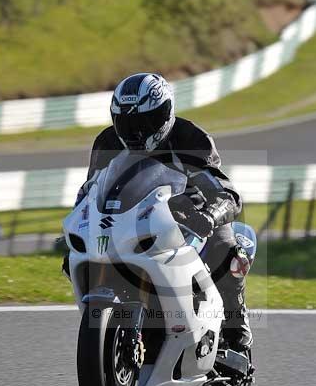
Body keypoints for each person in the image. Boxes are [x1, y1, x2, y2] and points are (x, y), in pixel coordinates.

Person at [64, 72, 252, 352]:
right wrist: (78, 222)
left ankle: (236, 322)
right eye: (127, 124)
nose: (136, 133)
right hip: (133, 217)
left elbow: (226, 193)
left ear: (165, 114)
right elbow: (91, 190)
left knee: (226, 249)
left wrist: (211, 215)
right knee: (72, 258)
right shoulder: (107, 143)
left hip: (192, 218)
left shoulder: (191, 138)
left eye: (146, 122)